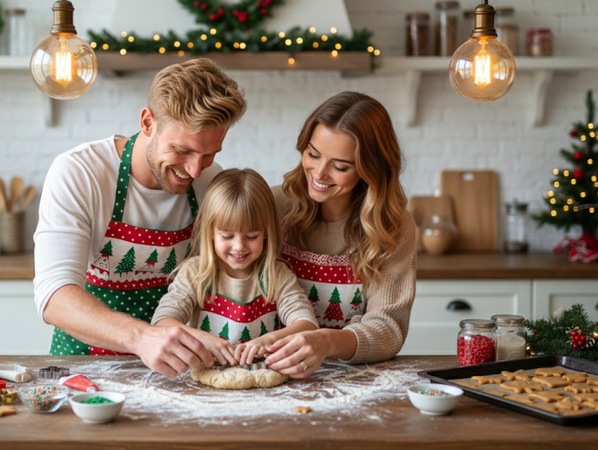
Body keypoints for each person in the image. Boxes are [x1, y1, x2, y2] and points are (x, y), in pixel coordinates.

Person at [33, 58, 247, 377]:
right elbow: (55, 296)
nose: (194, 170)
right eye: (182, 151)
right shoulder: (80, 173)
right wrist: (143, 338)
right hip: (85, 367)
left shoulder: (210, 181)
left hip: (174, 370)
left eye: (208, 155)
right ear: (148, 122)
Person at [263, 91, 417, 378]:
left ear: (370, 169)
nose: (319, 173)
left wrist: (326, 342)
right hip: (269, 372)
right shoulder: (272, 206)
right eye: (313, 154)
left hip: (350, 381)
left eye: (340, 166)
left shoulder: (393, 226)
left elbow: (388, 328)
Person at [151, 169, 318, 367]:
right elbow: (162, 322)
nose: (239, 246)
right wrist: (202, 339)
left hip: (261, 376)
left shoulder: (276, 274)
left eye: (251, 236)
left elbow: (307, 325)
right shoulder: (195, 273)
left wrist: (269, 340)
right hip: (205, 375)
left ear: (266, 233)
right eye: (227, 236)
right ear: (210, 232)